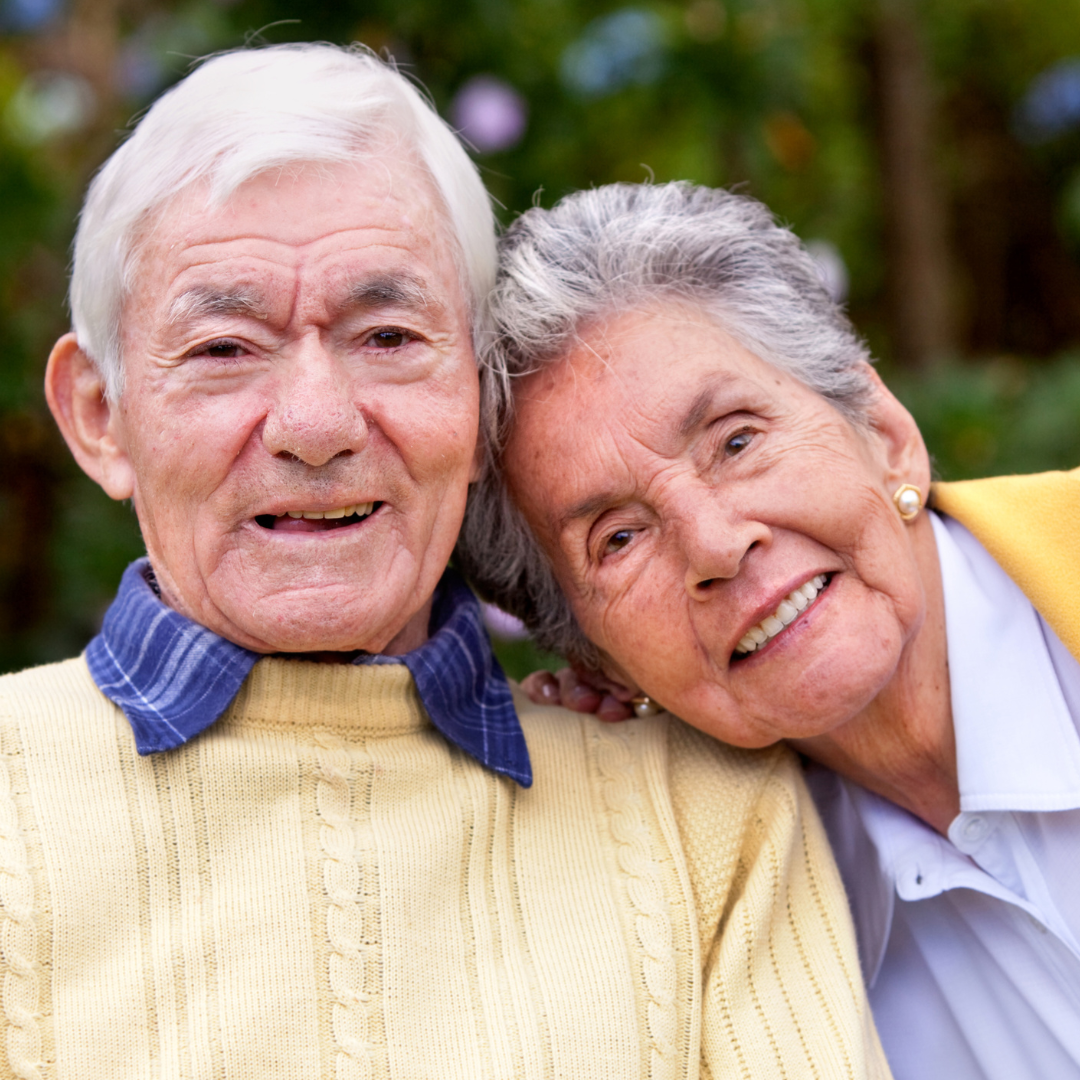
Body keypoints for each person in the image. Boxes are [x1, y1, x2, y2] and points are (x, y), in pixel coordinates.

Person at [0, 48, 889, 1078]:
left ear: (477, 412)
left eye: (386, 335)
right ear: (100, 416)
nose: (317, 426)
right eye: (224, 349)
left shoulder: (702, 810)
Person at [456, 180, 1080, 1080]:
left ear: (883, 430)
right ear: (595, 654)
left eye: (736, 440)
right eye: (618, 539)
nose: (715, 543)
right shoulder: (724, 932)